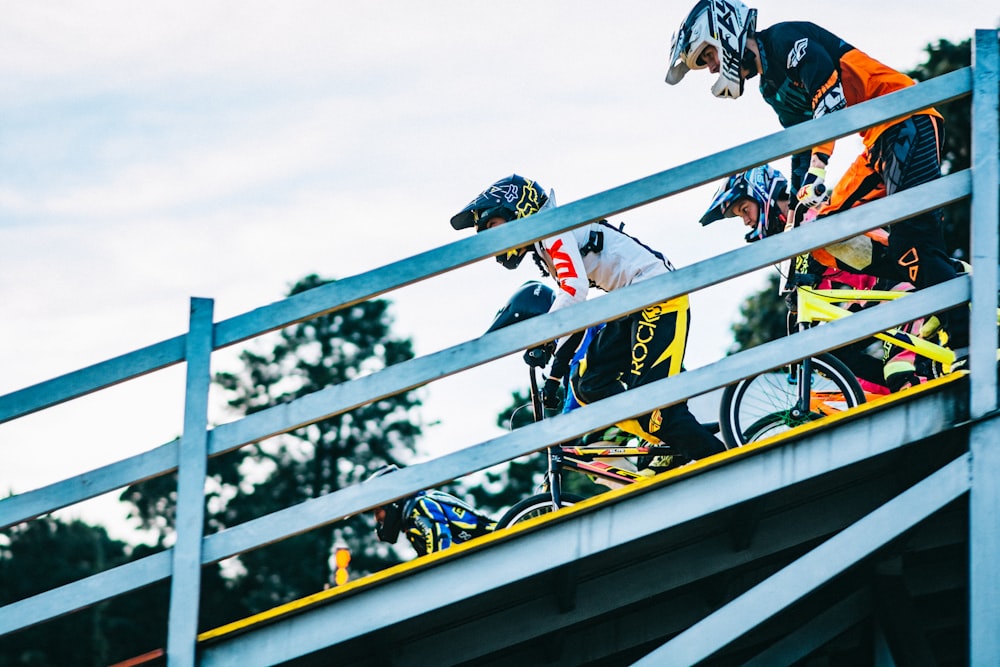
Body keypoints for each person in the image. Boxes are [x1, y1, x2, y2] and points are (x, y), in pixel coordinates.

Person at [664, 0, 969, 367]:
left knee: (911, 240)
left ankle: (967, 338)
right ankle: (938, 276)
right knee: (825, 231)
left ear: (725, 34)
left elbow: (830, 100)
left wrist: (819, 170)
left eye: (708, 55)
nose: (712, 67)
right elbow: (802, 142)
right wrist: (795, 217)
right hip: (876, 142)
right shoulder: (771, 88)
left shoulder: (787, 38)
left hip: (908, 120)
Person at [451, 174, 725, 461]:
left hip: (657, 296)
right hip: (630, 303)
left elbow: (574, 290)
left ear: (517, 209)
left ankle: (716, 459)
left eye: (493, 226)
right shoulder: (548, 244)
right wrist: (555, 375)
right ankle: (672, 437)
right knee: (588, 384)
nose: (493, 240)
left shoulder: (552, 230)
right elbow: (578, 312)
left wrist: (545, 339)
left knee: (657, 411)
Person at [701, 164, 930, 393]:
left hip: (899, 284)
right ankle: (890, 391)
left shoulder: (810, 218)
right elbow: (817, 298)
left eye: (744, 209)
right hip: (874, 295)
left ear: (763, 195)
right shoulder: (794, 236)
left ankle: (909, 384)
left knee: (897, 370)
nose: (746, 221)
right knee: (826, 353)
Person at [368, 464, 496, 557]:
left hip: (493, 538)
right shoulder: (411, 523)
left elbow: (440, 538)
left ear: (391, 503)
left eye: (377, 511)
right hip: (479, 551)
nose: (377, 518)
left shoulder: (419, 507)